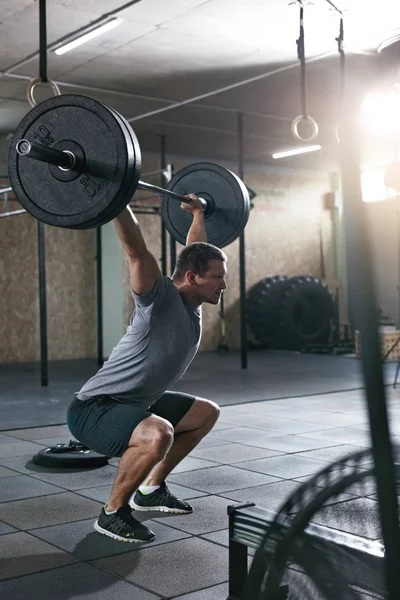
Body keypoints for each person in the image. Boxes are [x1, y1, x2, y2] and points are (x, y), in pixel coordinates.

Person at [67, 194, 227, 543]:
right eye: (218, 278)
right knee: (160, 433)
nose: (223, 285)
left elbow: (196, 248)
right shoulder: (160, 299)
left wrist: (198, 213)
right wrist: (117, 198)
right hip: (96, 409)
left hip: (137, 403)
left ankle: (151, 488)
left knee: (205, 413)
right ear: (192, 277)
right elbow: (136, 249)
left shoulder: (193, 297)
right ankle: (113, 512)